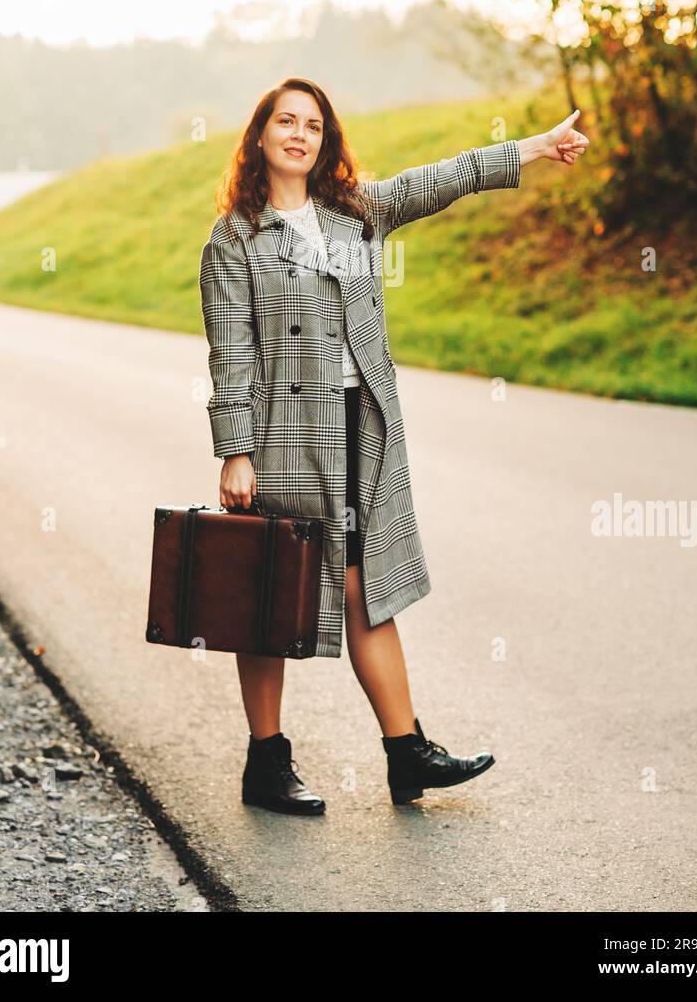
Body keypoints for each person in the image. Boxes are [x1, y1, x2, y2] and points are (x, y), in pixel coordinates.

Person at [199, 78, 588, 813]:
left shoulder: (356, 213)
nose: (299, 134)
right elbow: (230, 352)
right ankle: (267, 760)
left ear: (326, 141)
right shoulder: (233, 239)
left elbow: (447, 177)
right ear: (258, 137)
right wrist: (235, 449)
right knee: (268, 593)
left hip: (363, 425)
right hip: (282, 437)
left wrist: (537, 147)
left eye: (313, 125)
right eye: (284, 121)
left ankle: (406, 753)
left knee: (366, 589)